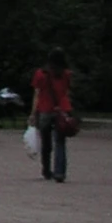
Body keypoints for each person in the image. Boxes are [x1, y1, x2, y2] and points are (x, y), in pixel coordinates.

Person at [31, 47, 77, 184]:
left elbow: (37, 94)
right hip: (61, 110)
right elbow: (66, 92)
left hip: (45, 109)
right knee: (60, 142)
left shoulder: (40, 74)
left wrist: (33, 113)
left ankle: (46, 170)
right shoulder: (66, 74)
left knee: (46, 142)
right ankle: (60, 172)